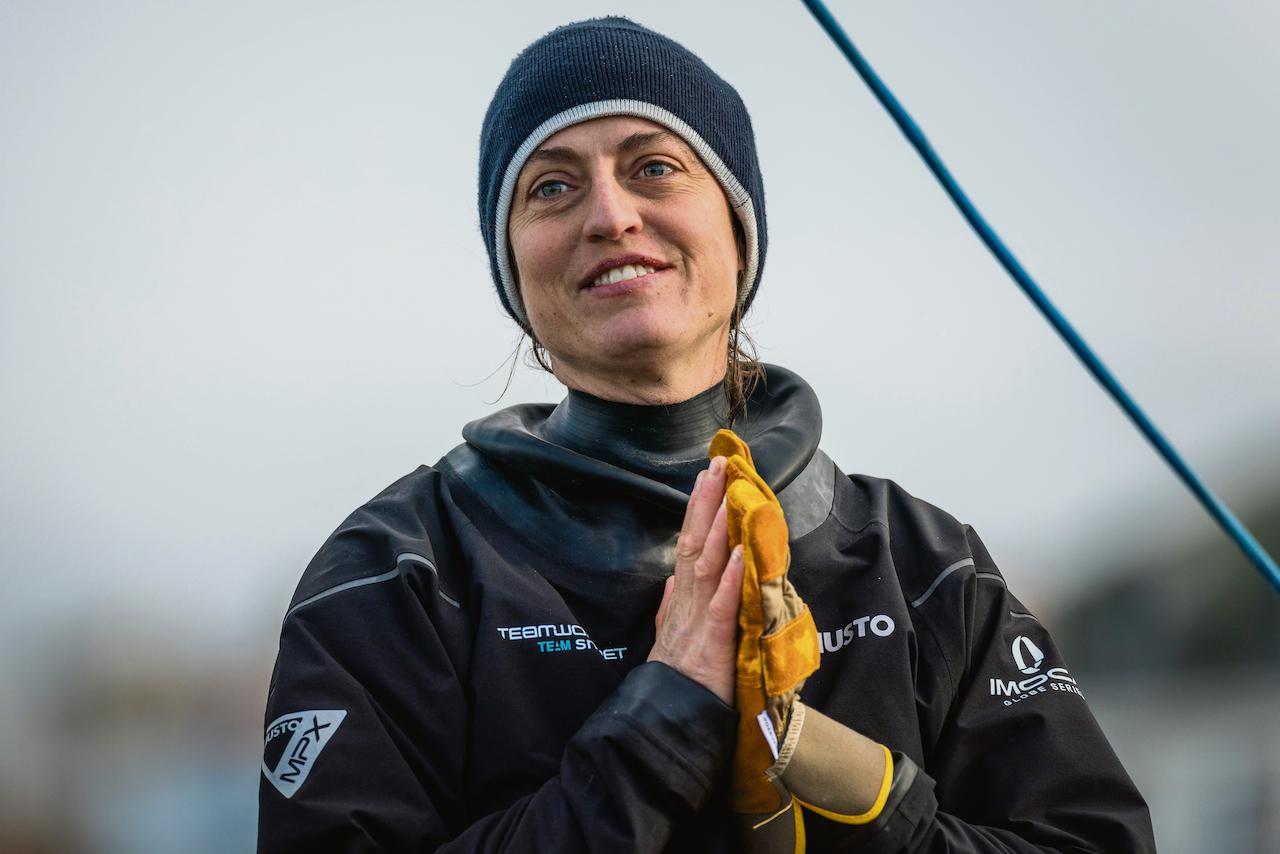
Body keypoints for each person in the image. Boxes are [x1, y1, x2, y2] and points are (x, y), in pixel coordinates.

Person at [258, 17, 1155, 853]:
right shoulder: (395, 575)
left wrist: (875, 798)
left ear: (738, 230)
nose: (610, 216)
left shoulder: (925, 564)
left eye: (654, 167)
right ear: (515, 270)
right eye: (552, 187)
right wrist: (659, 727)